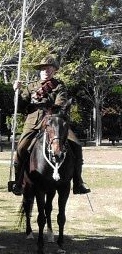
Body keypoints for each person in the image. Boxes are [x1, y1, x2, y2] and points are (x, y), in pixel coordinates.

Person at [11, 55, 90, 196]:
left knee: (77, 145)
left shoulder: (59, 86)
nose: (45, 70)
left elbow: (61, 104)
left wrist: (45, 103)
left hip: (54, 122)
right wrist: (16, 92)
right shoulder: (31, 87)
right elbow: (21, 106)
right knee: (21, 148)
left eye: (49, 68)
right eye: (43, 68)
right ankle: (18, 182)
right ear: (40, 71)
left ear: (54, 70)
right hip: (34, 123)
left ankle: (78, 182)